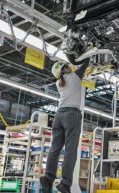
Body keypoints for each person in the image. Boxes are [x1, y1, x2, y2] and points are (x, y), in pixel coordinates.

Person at [40, 58, 90, 193]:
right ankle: (65, 183)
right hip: (71, 116)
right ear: (66, 68)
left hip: (59, 116)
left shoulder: (58, 83)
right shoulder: (74, 77)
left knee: (54, 149)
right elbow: (86, 63)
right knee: (70, 151)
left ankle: (48, 178)